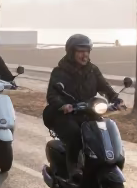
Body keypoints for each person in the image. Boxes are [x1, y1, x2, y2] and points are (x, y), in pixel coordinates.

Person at [43, 34, 123, 169]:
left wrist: (115, 99)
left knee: (104, 131)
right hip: (66, 114)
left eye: (87, 51)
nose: (85, 55)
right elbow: (52, 95)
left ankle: (104, 162)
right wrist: (63, 105)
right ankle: (72, 167)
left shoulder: (92, 70)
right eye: (80, 51)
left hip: (88, 111)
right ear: (71, 52)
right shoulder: (59, 72)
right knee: (74, 134)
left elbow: (104, 87)